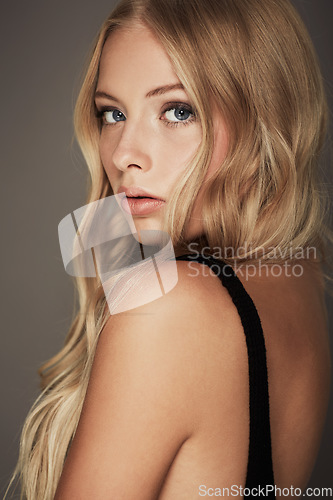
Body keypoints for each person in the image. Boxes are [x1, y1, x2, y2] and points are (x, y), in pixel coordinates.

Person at [5, 0, 332, 498]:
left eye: (178, 111)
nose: (122, 154)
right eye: (112, 113)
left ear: (262, 115)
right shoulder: (299, 273)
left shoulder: (166, 311)